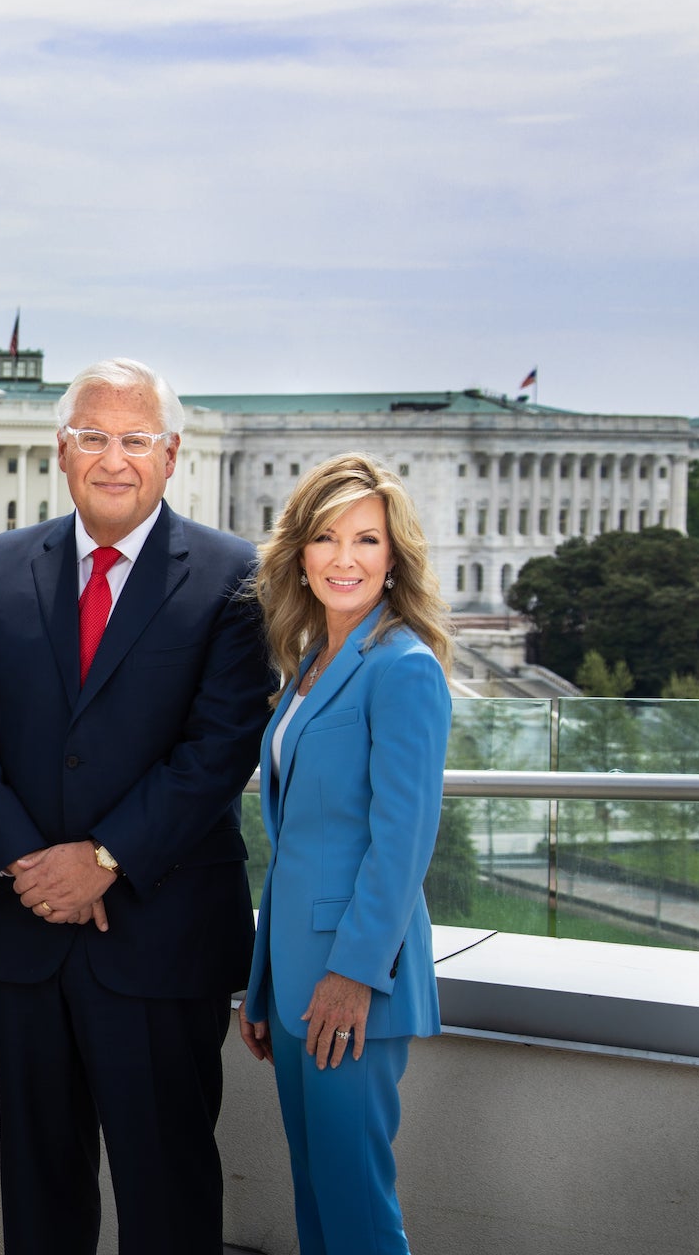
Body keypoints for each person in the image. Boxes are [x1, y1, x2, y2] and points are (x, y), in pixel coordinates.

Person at [0, 357, 273, 1253]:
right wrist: (28, 866)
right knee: (38, 1189)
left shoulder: (235, 577)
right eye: (92, 438)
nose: (112, 459)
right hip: (22, 927)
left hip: (161, 933)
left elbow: (219, 748)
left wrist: (104, 860)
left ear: (170, 455)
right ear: (61, 449)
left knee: (167, 1189)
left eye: (134, 440)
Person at [237, 452, 453, 1254]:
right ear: (302, 553)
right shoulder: (308, 669)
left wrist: (354, 976)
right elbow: (296, 847)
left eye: (367, 539)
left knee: (358, 1211)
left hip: (354, 983)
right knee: (319, 1199)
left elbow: (402, 843)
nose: (345, 558)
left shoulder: (403, 667)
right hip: (297, 977)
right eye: (327, 538)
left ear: (394, 557)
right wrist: (261, 980)